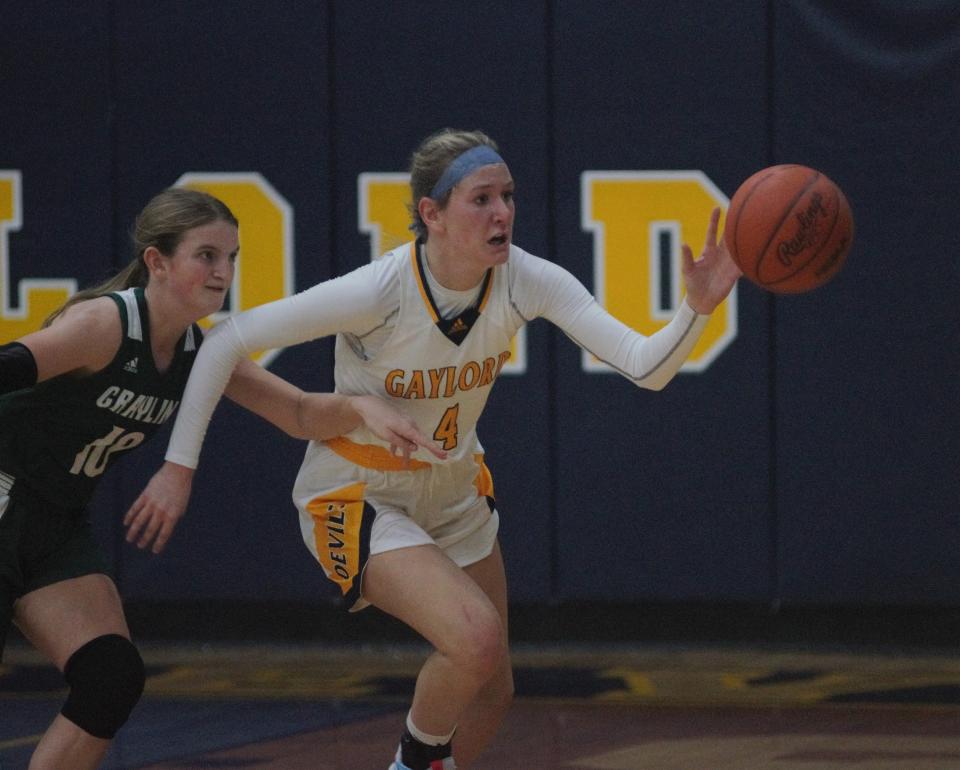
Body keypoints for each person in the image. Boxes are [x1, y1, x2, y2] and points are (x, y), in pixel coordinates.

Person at [142, 129, 741, 770]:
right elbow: (229, 338)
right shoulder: (379, 292)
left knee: (492, 689)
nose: (502, 212)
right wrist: (179, 467)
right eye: (481, 198)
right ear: (432, 213)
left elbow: (644, 366)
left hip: (453, 487)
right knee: (475, 641)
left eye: (508, 196)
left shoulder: (525, 279)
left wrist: (695, 309)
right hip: (359, 489)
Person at [0, 187, 441, 770]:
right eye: (206, 255)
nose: (222, 272)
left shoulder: (198, 349)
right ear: (157, 262)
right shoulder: (104, 325)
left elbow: (300, 413)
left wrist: (362, 409)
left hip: (54, 525)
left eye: (230, 257)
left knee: (111, 677)